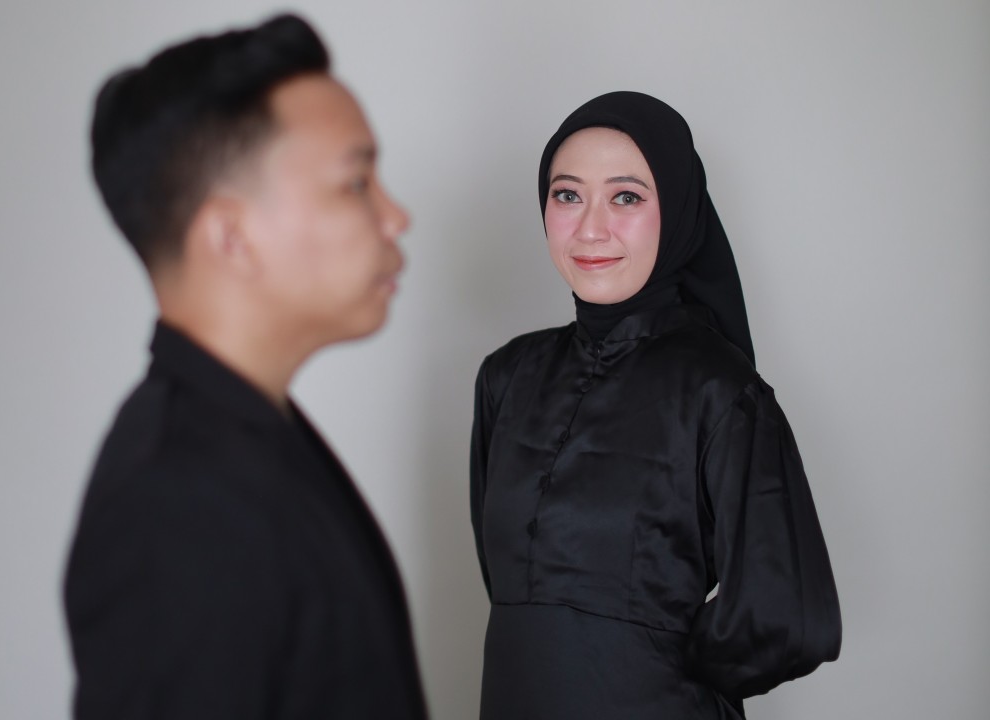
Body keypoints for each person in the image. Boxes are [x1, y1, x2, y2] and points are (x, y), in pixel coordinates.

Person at [63, 14, 427, 719]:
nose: (397, 217)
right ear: (231, 237)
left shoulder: (250, 435)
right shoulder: (171, 507)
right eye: (356, 183)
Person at [470, 91, 841, 719]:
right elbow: (505, 580)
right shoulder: (506, 377)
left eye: (626, 197)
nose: (591, 228)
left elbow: (789, 617)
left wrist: (652, 663)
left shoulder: (721, 391)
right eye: (567, 195)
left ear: (677, 210)